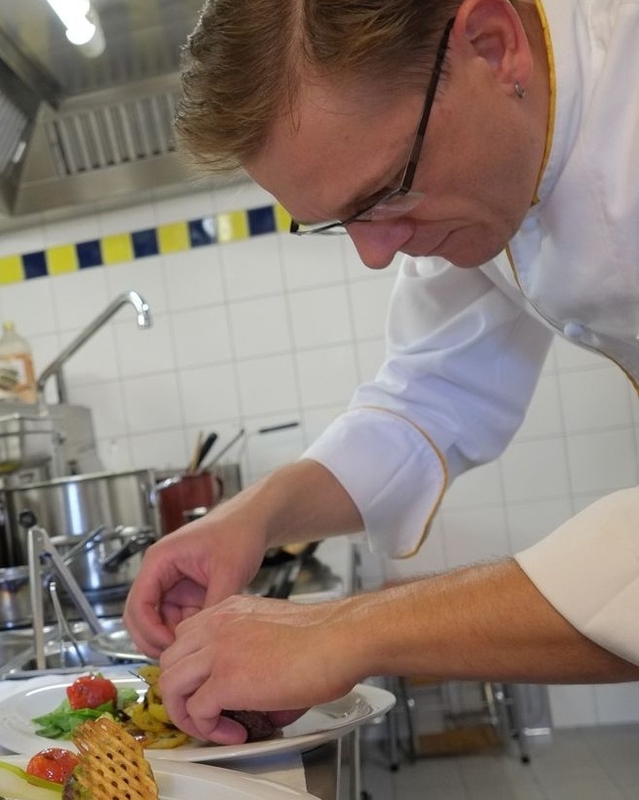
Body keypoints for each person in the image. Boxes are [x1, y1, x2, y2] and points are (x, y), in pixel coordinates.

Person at [123, 0, 639, 745]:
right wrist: (255, 515)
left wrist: (343, 632)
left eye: (387, 192)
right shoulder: (472, 163)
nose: (376, 254)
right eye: (341, 220)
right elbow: (429, 398)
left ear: (493, 45)